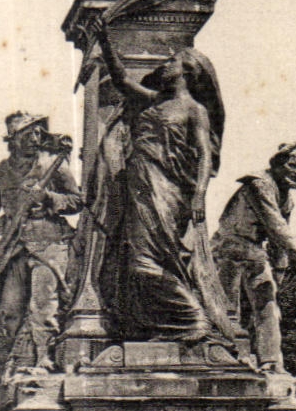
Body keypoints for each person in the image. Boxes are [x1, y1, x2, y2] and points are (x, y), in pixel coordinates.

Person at [94, 22, 237, 345]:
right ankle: (165, 325)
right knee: (136, 261)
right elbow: (120, 80)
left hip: (168, 192)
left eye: (172, 62)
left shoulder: (194, 109)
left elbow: (203, 156)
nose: (165, 65)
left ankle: (194, 319)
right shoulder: (154, 100)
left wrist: (199, 194)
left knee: (145, 263)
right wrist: (104, 40)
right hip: (140, 185)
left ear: (188, 71)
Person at [0, 112, 83, 376]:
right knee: (11, 310)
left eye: (38, 133)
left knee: (43, 304)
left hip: (49, 243)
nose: (35, 139)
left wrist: (48, 197)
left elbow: (77, 200)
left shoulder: (53, 165)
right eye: (27, 135)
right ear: (13, 140)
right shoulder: (1, 172)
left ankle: (45, 359)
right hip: (14, 248)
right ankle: (21, 359)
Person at [211, 143, 296, 371]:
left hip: (255, 252)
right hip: (229, 248)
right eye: (292, 165)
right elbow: (275, 225)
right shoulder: (259, 184)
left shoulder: (286, 198)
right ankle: (231, 357)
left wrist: (279, 270)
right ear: (277, 164)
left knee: (268, 303)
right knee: (229, 309)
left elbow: (279, 241)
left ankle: (271, 361)